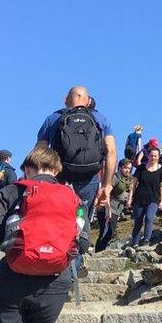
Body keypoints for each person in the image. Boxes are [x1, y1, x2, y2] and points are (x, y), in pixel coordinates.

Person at [0, 147, 89, 323]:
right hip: (55, 282)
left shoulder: (13, 191)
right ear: (57, 170)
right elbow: (82, 244)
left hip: (12, 279)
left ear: (28, 168)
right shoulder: (73, 198)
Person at [35, 86, 116, 271]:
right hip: (89, 179)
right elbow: (111, 152)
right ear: (88, 101)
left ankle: (51, 263)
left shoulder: (53, 119)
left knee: (56, 220)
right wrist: (107, 185)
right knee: (81, 220)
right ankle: (73, 269)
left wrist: (38, 182)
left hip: (60, 179)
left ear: (65, 100)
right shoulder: (99, 119)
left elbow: (39, 153)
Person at [126, 145, 162, 247]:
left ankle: (147, 239)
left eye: (155, 156)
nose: (153, 158)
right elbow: (133, 184)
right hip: (139, 198)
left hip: (154, 198)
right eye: (152, 155)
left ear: (158, 157)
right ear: (148, 156)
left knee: (149, 218)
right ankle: (135, 242)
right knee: (138, 221)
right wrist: (130, 199)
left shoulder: (161, 170)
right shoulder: (141, 168)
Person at [96, 158, 132, 252]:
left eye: (129, 168)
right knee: (106, 232)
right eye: (125, 168)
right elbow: (107, 192)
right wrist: (107, 208)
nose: (127, 170)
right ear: (120, 167)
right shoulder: (115, 177)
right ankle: (98, 251)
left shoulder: (127, 179)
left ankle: (101, 250)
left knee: (110, 233)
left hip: (116, 210)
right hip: (108, 208)